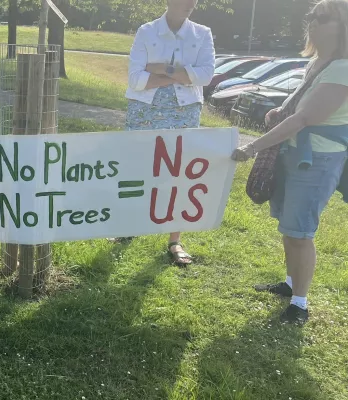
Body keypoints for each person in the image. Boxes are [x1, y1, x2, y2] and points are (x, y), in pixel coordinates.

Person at [232, 0, 348, 325]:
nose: (314, 22)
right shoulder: (319, 62)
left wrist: (252, 147)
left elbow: (305, 118)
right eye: (312, 16)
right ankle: (290, 283)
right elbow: (297, 109)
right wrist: (279, 111)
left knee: (300, 232)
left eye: (324, 17)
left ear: (344, 26)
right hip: (293, 153)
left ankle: (300, 304)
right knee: (288, 226)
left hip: (316, 160)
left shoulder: (342, 68)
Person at [109, 0, 215, 266]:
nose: (190, 3)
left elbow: (206, 76)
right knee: (137, 168)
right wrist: (183, 75)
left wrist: (161, 69)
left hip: (184, 111)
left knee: (178, 171)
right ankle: (129, 225)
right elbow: (136, 79)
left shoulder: (202, 33)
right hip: (144, 109)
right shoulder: (147, 31)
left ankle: (174, 240)